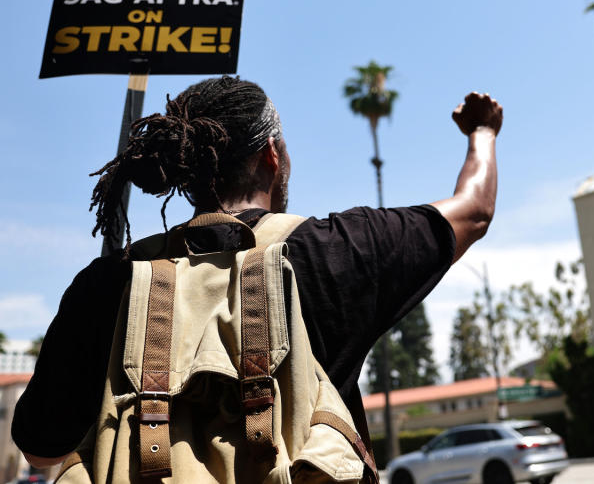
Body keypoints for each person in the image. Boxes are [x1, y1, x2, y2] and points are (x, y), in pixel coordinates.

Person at [13, 76, 503, 468]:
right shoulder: (336, 250)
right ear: (273, 155)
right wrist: (482, 132)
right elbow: (473, 210)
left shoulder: (108, 282)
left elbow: (41, 449)